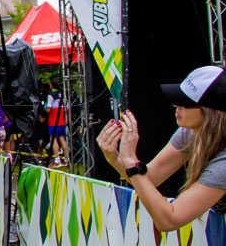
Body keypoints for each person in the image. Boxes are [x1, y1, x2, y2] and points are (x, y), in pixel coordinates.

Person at [97, 65, 226, 231]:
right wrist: (115, 158)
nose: (175, 106)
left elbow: (169, 220)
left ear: (214, 114)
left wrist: (130, 162)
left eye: (185, 103)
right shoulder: (193, 131)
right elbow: (150, 178)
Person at [45, 85, 68, 167]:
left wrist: (44, 108)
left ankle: (57, 159)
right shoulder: (63, 94)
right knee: (62, 139)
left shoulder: (51, 95)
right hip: (62, 119)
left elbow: (48, 109)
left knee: (53, 139)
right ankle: (66, 159)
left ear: (51, 85)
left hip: (54, 119)